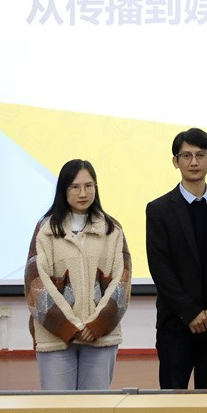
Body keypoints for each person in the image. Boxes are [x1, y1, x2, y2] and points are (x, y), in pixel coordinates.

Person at [25, 159, 131, 390]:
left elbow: (121, 282)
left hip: (100, 337)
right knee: (58, 408)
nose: (83, 193)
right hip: (54, 338)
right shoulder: (45, 230)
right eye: (75, 187)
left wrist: (96, 325)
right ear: (63, 190)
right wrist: (69, 327)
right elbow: (36, 283)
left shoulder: (112, 230)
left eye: (88, 186)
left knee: (96, 408)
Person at [145, 128, 207, 389]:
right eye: (186, 156)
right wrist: (190, 313)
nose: (194, 162)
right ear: (176, 161)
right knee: (172, 400)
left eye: (201, 155)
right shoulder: (158, 210)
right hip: (176, 325)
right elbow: (160, 268)